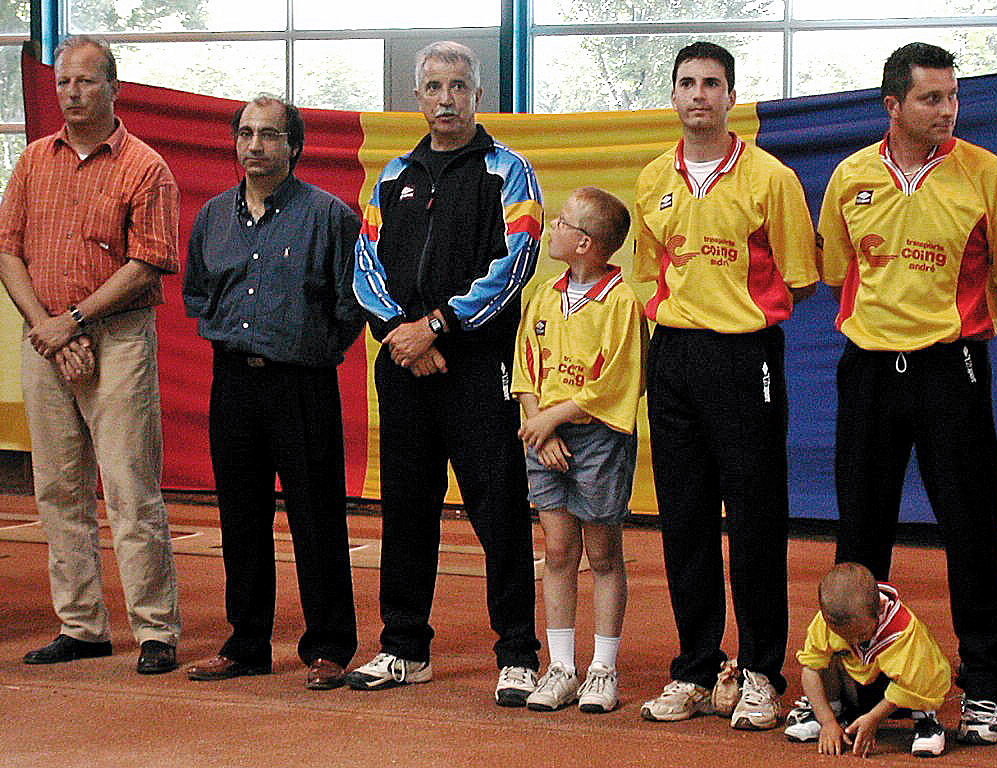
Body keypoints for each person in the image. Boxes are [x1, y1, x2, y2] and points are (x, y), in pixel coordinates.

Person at [818, 42, 997, 745]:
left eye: (953, 97)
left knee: (970, 533)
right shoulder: (849, 178)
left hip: (951, 369)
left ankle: (988, 692)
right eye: (932, 98)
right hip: (869, 370)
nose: (947, 110)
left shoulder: (987, 175)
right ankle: (852, 691)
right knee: (860, 537)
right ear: (893, 105)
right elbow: (839, 271)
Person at [350, 41, 543, 705]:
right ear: (418, 96)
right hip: (402, 365)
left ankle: (517, 652)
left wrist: (436, 327)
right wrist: (402, 335)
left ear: (478, 94)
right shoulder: (391, 175)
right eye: (433, 87)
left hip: (476, 366)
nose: (445, 100)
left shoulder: (508, 172)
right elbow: (364, 268)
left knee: (498, 511)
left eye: (458, 86)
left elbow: (516, 262)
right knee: (406, 508)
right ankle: (404, 647)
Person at [633, 41, 819, 730]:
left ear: (731, 95)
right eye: (687, 83)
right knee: (683, 519)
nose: (699, 95)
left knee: (754, 521)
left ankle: (763, 671)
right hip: (674, 356)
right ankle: (696, 667)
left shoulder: (769, 178)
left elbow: (800, 274)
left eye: (712, 83)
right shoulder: (654, 176)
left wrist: (734, 313)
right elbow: (651, 275)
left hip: (746, 359)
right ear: (674, 94)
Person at [0, 35, 181, 674]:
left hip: (119, 338)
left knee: (130, 486)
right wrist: (49, 327)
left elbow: (150, 263)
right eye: (64, 85)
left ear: (114, 86)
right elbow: (8, 252)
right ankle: (81, 626)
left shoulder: (145, 167)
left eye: (85, 82)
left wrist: (74, 320)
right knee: (58, 488)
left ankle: (156, 630)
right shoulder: (31, 163)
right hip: (46, 338)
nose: (72, 94)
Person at [182, 96, 363, 690]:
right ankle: (247, 642)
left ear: (294, 146)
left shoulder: (330, 216)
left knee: (317, 518)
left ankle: (330, 645)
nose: (254, 146)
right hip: (233, 381)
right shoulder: (212, 217)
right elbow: (198, 293)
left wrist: (310, 347)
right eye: (245, 134)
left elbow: (349, 304)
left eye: (269, 136)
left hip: (302, 383)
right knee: (241, 517)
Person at [511, 187, 648, 714]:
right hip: (543, 437)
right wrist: (537, 425)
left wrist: (554, 418)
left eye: (562, 223)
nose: (552, 228)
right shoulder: (543, 294)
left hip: (596, 440)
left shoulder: (622, 302)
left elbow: (619, 381)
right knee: (559, 551)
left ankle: (603, 668)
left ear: (586, 243)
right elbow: (525, 366)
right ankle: (562, 666)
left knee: (603, 553)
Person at [784, 563, 951, 758]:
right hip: (858, 686)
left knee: (923, 671)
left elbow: (909, 684)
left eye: (861, 634)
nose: (854, 641)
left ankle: (925, 719)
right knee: (824, 656)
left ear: (880, 609)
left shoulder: (903, 631)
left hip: (903, 694)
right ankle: (836, 711)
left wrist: (873, 718)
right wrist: (827, 721)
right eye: (844, 636)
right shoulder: (827, 621)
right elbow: (810, 670)